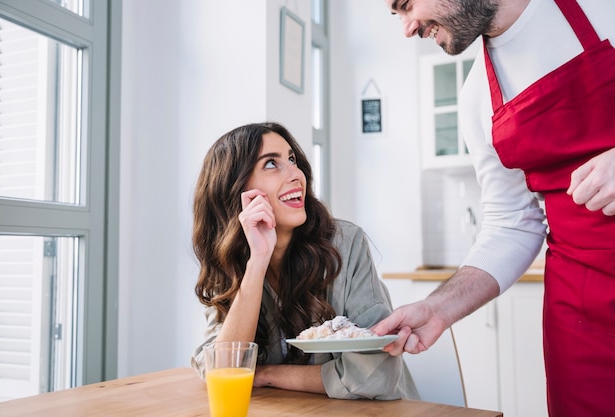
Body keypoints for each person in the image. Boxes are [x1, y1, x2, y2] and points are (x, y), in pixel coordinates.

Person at [372, 0, 615, 416]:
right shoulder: (476, 97)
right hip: (581, 312)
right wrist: (438, 307)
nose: (407, 29)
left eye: (406, 5)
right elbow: (512, 225)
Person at [190, 122, 418, 400]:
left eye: (292, 159)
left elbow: (374, 375)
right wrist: (258, 262)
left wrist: (266, 374)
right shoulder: (231, 261)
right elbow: (221, 370)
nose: (296, 174)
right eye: (271, 164)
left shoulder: (346, 244)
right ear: (235, 188)